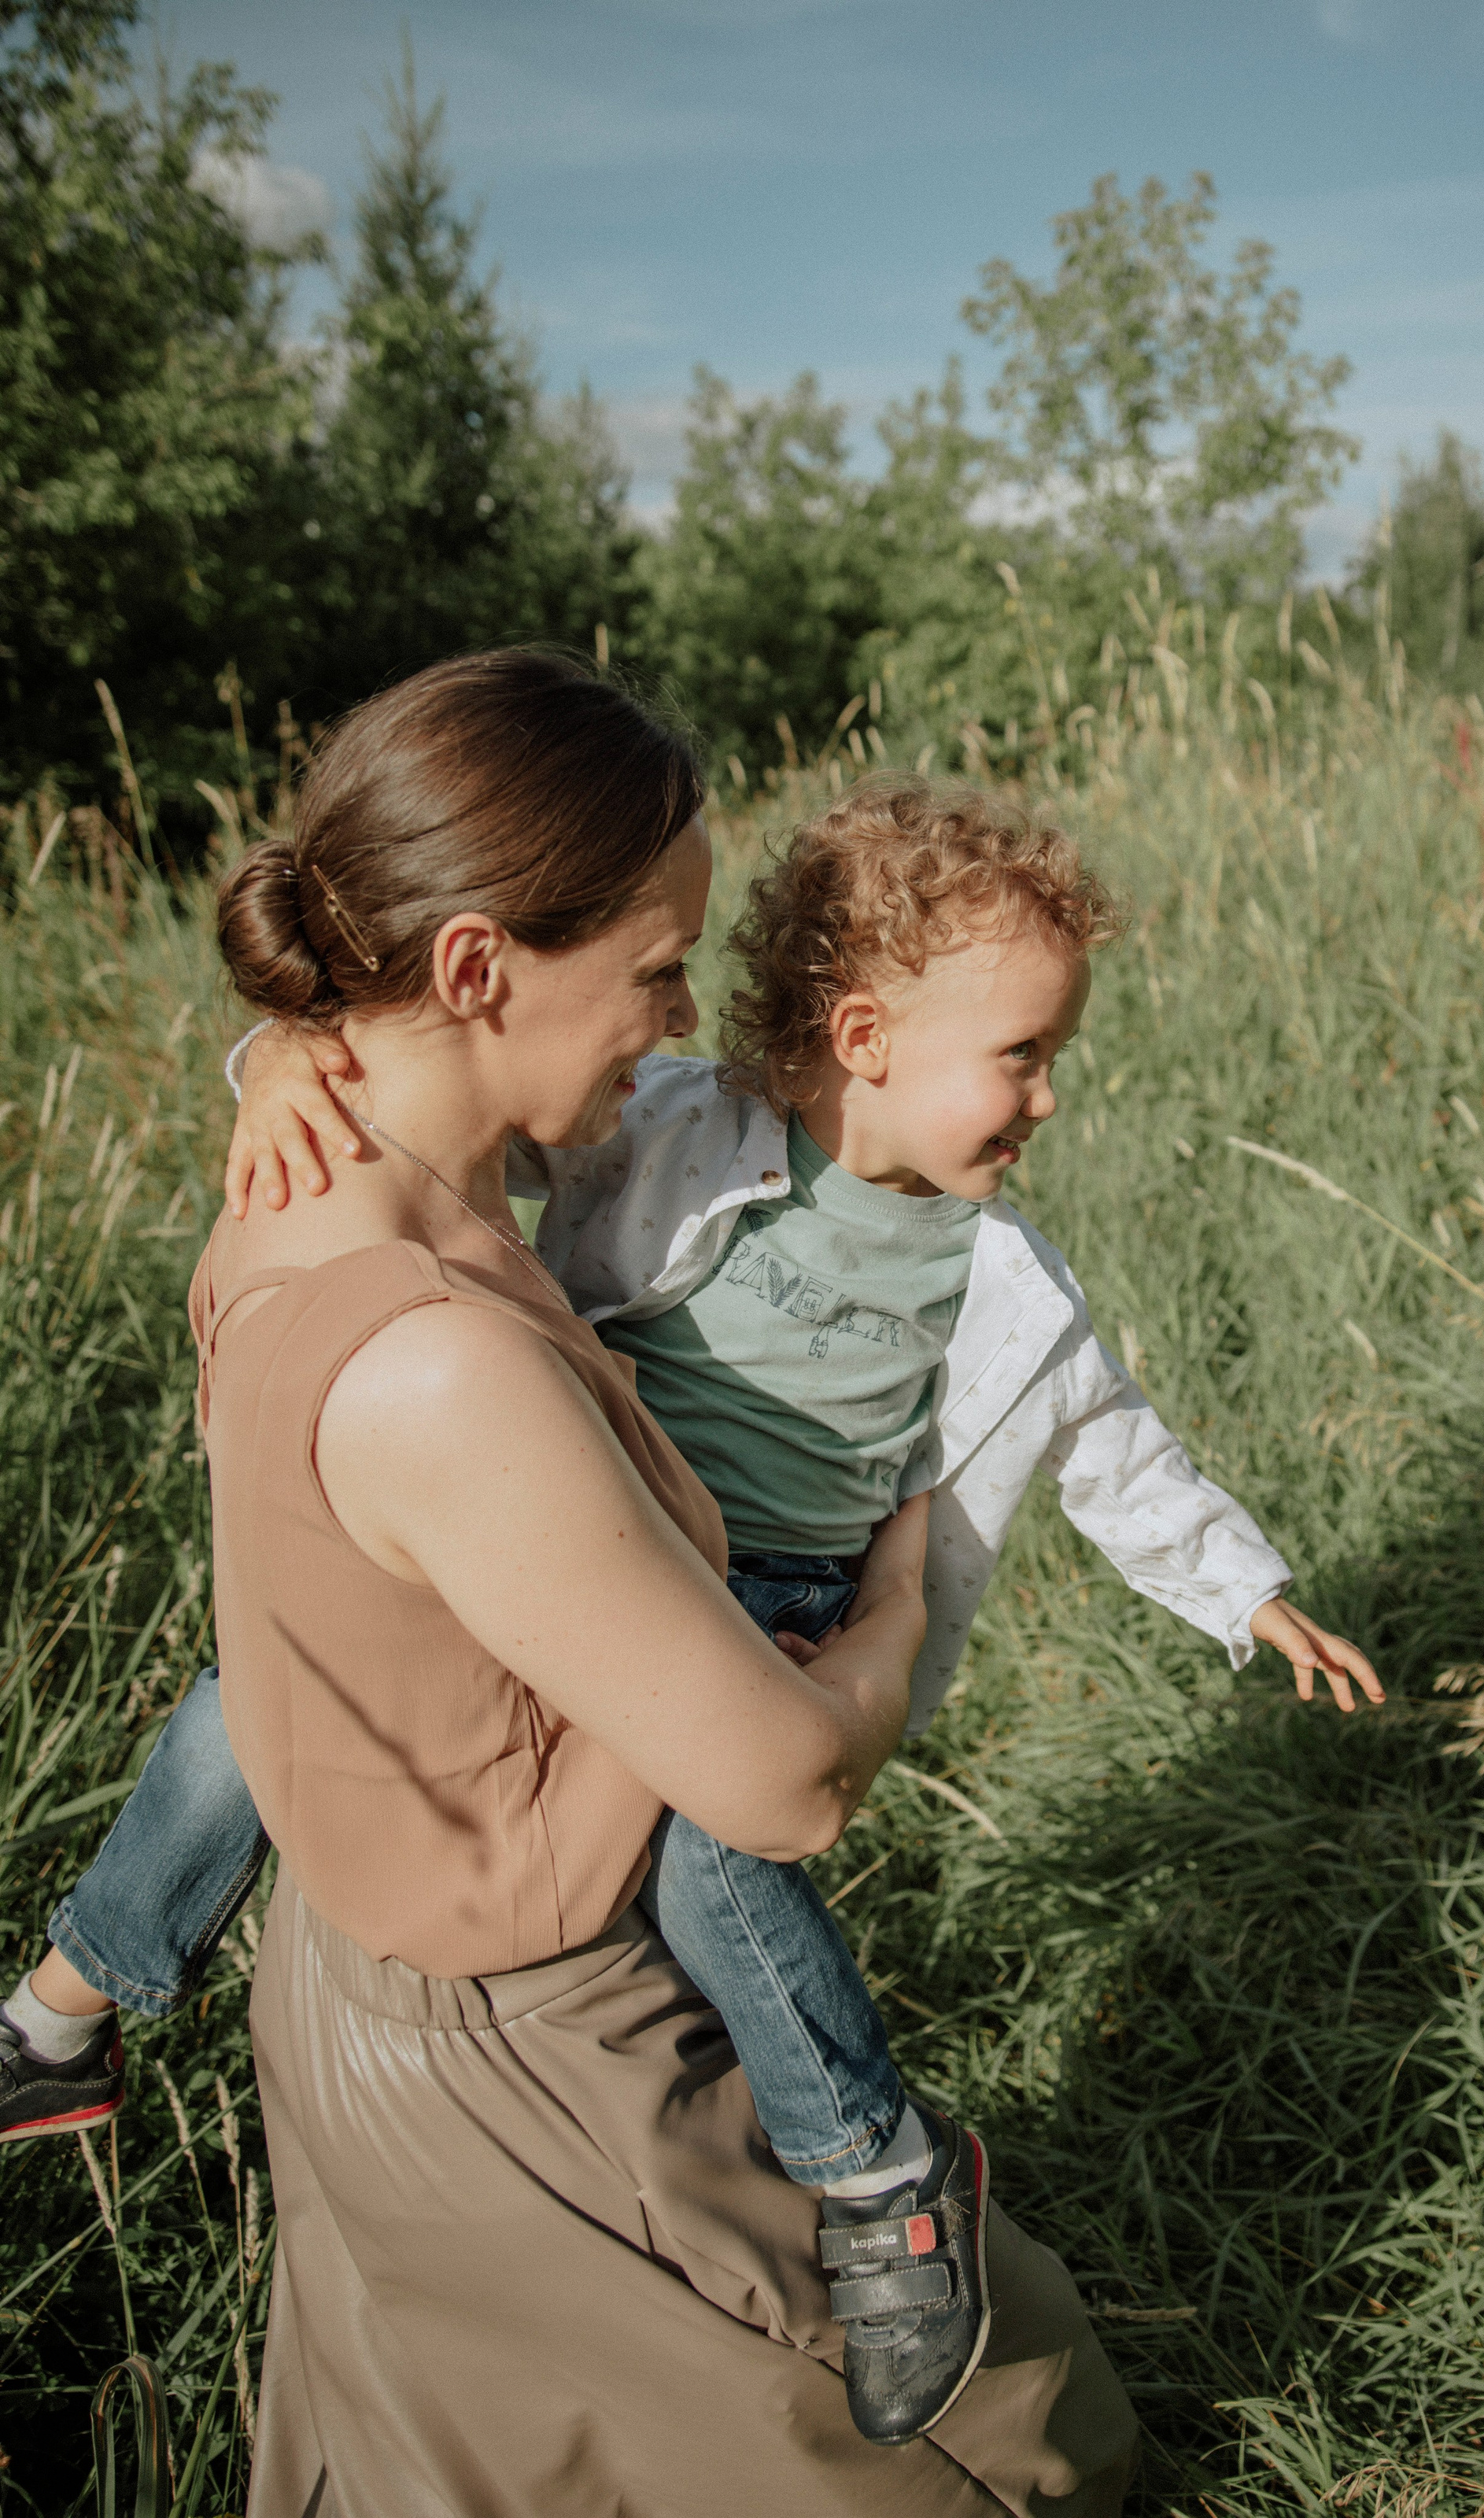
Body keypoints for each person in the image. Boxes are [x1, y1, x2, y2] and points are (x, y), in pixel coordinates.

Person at [2, 653, 1136, 2512]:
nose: (682, 1022)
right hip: (540, 2051)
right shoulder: (441, 1365)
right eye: (653, 971)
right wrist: (892, 1624)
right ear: (476, 967)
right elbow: (779, 1782)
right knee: (994, 2448)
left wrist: (282, 1044)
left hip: (356, 1973)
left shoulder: (315, 1178)